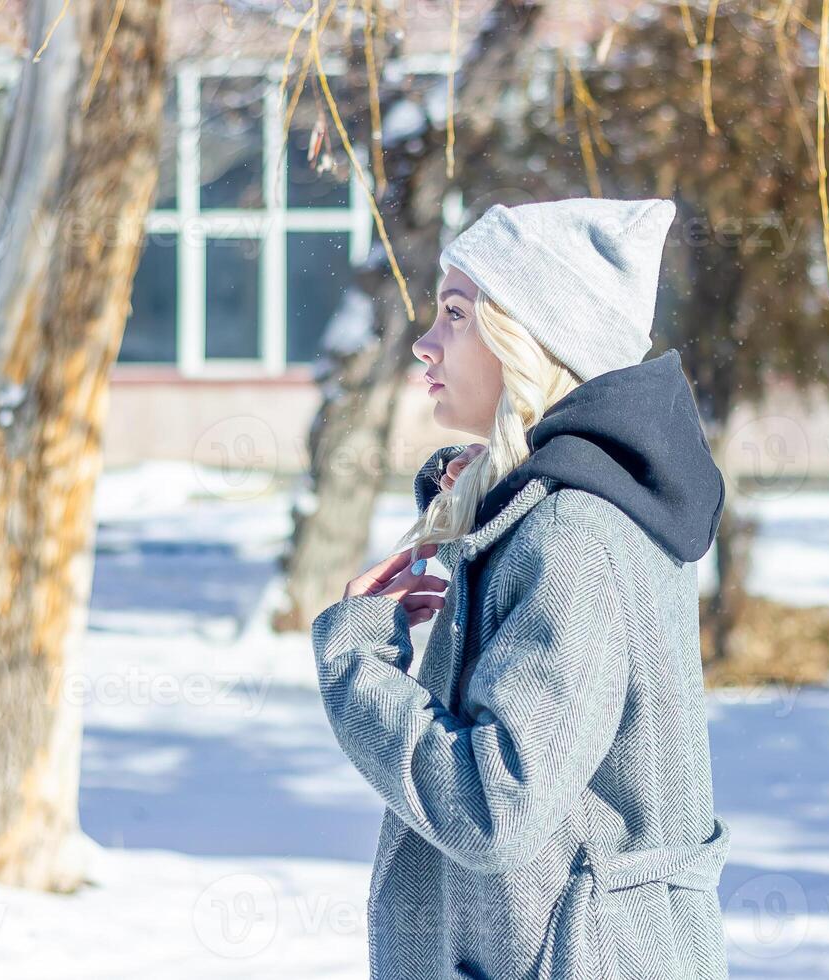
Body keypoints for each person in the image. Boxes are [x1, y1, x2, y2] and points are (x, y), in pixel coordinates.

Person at [311, 196, 731, 979]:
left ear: (530, 337)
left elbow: (490, 806)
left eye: (456, 314)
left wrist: (356, 669)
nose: (426, 345)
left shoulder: (574, 535)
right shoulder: (566, 514)